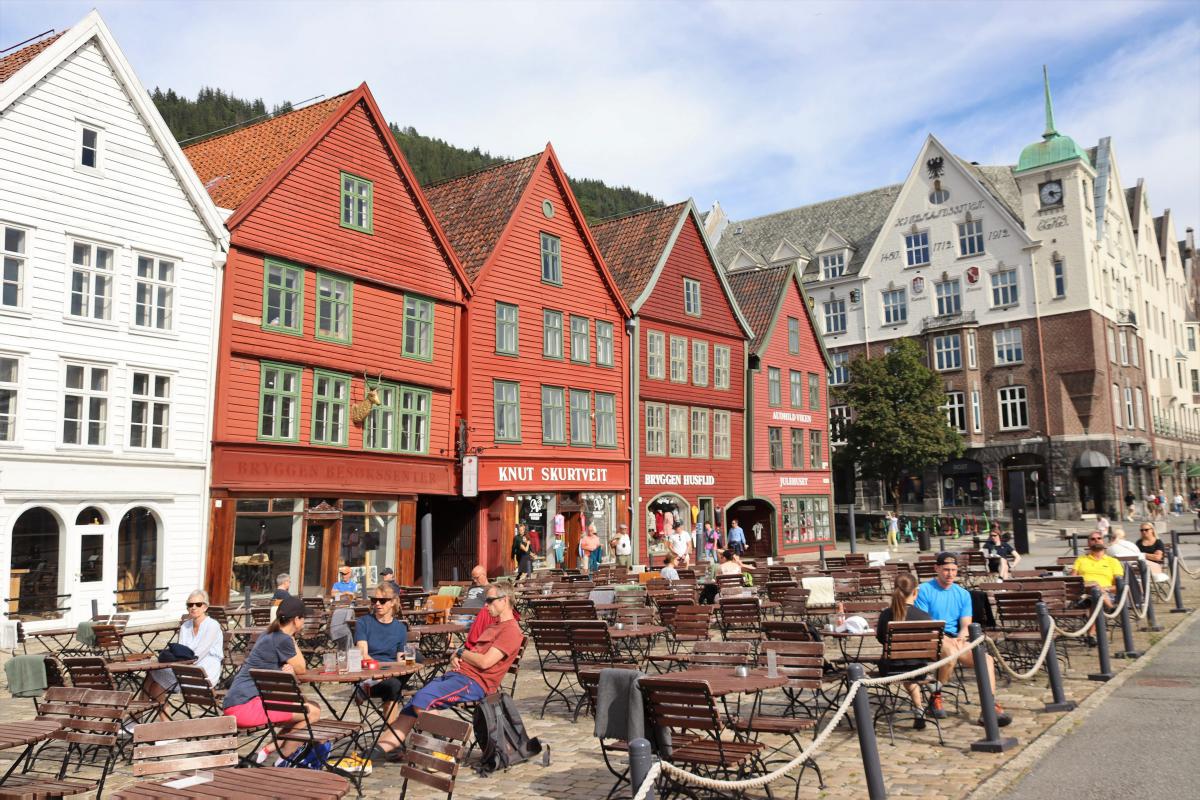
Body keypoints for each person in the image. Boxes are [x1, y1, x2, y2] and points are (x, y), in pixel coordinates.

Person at [389, 584, 523, 745]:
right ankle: (374, 754)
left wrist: (460, 653)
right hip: (459, 676)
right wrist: (457, 654)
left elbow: (485, 662)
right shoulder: (493, 626)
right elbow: (471, 651)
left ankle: (443, 748)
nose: (485, 605)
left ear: (504, 600)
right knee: (410, 707)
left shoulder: (511, 630)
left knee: (422, 699)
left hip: (475, 683)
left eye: (489, 600)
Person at [914, 552, 1011, 727]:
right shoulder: (924, 591)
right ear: (936, 569)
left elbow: (966, 623)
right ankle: (936, 695)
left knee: (987, 660)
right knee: (950, 651)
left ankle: (989, 707)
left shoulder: (963, 594)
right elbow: (924, 623)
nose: (950, 574)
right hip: (932, 637)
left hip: (955, 638)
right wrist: (947, 640)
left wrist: (961, 637)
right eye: (945, 570)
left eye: (953, 570)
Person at [223, 596, 319, 763]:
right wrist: (292, 638)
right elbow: (302, 668)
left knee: (309, 707)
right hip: (245, 708)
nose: (304, 622)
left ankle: (266, 751)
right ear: (296, 620)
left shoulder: (268, 635)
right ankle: (283, 759)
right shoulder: (283, 639)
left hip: (237, 702)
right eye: (303, 618)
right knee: (313, 712)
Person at [355, 583, 413, 759]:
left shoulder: (400, 628)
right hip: (369, 674)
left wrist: (408, 660)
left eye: (382, 600)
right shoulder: (364, 622)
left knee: (397, 680)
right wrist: (373, 664)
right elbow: (362, 652)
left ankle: (390, 740)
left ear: (393, 603)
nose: (377, 604)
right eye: (374, 600)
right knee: (394, 685)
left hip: (390, 675)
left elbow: (400, 658)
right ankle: (392, 742)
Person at [144, 590, 223, 719]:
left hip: (204, 672)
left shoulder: (212, 625)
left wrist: (176, 662)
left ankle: (136, 720)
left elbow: (197, 656)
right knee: (153, 677)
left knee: (154, 675)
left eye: (198, 604)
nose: (193, 607)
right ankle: (165, 726)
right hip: (186, 668)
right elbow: (182, 652)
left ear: (205, 607)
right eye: (190, 604)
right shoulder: (185, 626)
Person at [875, 573, 934, 729]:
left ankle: (919, 707)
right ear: (915, 592)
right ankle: (920, 706)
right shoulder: (924, 616)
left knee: (903, 664)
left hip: (891, 669)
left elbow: (881, 639)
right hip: (920, 668)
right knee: (910, 666)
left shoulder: (886, 614)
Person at [1071, 531, 1124, 646]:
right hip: (1083, 593)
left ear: (1103, 541)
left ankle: (1091, 634)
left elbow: (1119, 585)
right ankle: (1110, 607)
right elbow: (1072, 580)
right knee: (1094, 588)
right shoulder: (1081, 560)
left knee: (1095, 597)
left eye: (1099, 538)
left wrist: (1103, 589)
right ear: (1088, 543)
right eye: (1093, 539)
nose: (1096, 541)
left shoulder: (1112, 561)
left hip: (1105, 593)